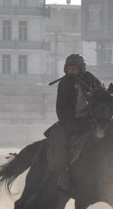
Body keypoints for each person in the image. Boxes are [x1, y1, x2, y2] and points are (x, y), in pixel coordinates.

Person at [45, 54, 105, 192]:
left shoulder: (89, 78)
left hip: (89, 119)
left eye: (74, 69)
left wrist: (101, 91)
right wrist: (71, 125)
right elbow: (61, 108)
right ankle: (63, 172)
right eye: (69, 69)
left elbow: (100, 93)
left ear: (80, 69)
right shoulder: (63, 84)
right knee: (60, 139)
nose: (71, 71)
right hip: (69, 120)